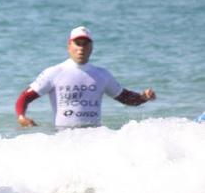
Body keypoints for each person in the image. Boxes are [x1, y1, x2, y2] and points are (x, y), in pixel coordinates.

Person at [15, 26, 156, 129]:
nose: (81, 48)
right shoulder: (54, 72)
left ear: (91, 47)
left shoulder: (102, 74)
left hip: (93, 137)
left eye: (85, 44)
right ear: (69, 46)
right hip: (63, 137)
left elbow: (125, 98)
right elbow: (25, 97)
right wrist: (21, 117)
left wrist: (143, 97)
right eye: (78, 44)